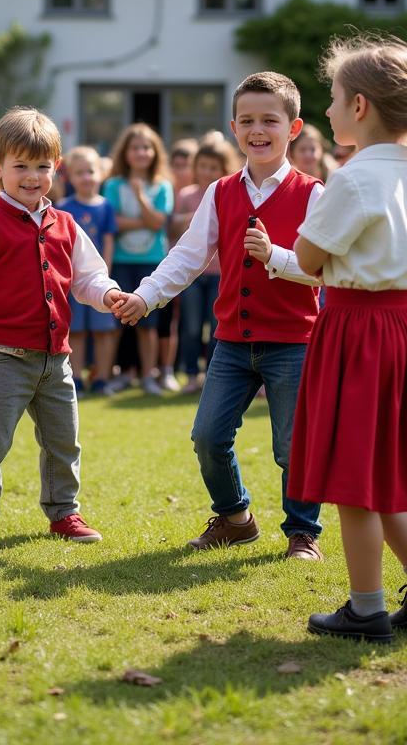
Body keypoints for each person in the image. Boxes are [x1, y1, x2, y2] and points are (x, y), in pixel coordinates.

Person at [290, 36, 407, 641]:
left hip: (355, 329)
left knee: (352, 477)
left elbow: (309, 257)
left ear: (360, 106)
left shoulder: (353, 179)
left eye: (333, 99)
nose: (329, 111)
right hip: (401, 329)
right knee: (378, 467)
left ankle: (365, 609)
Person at [115, 73, 327, 560]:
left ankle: (302, 533)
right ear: (234, 127)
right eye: (248, 120)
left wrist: (277, 257)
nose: (258, 130)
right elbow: (188, 256)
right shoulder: (220, 192)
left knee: (292, 447)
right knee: (208, 436)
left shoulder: (313, 194)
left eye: (270, 120)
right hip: (232, 340)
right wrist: (146, 297)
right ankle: (235, 518)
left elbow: (326, 273)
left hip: (294, 340)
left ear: (293, 129)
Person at [0, 107, 122, 548]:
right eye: (20, 166)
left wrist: (107, 294)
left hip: (56, 360)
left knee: (63, 442)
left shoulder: (67, 224)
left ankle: (64, 513)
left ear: (57, 167)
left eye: (42, 166)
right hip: (0, 357)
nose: (32, 176)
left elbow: (89, 276)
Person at [103, 124, 174, 396]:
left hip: (152, 261)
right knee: (117, 322)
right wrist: (144, 220)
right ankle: (111, 376)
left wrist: (140, 195)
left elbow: (158, 222)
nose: (141, 152)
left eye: (146, 147)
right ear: (126, 152)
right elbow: (114, 223)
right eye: (135, 147)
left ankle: (148, 376)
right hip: (121, 260)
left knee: (149, 324)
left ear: (155, 152)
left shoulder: (162, 186)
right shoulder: (112, 185)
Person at [168, 141, 238, 394]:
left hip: (220, 274)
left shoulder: (227, 193)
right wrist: (194, 218)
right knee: (190, 326)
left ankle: (212, 374)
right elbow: (173, 228)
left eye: (213, 167)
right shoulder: (187, 195)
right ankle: (190, 374)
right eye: (203, 166)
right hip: (193, 276)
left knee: (216, 325)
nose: (207, 172)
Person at [57, 146, 118, 395]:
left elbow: (108, 243)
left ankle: (102, 378)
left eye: (90, 171)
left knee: (103, 331)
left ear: (100, 174)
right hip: (72, 282)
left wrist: (105, 275)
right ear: (70, 177)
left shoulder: (105, 207)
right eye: (79, 173)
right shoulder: (63, 207)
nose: (86, 177)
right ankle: (77, 378)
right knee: (77, 332)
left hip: (98, 281)